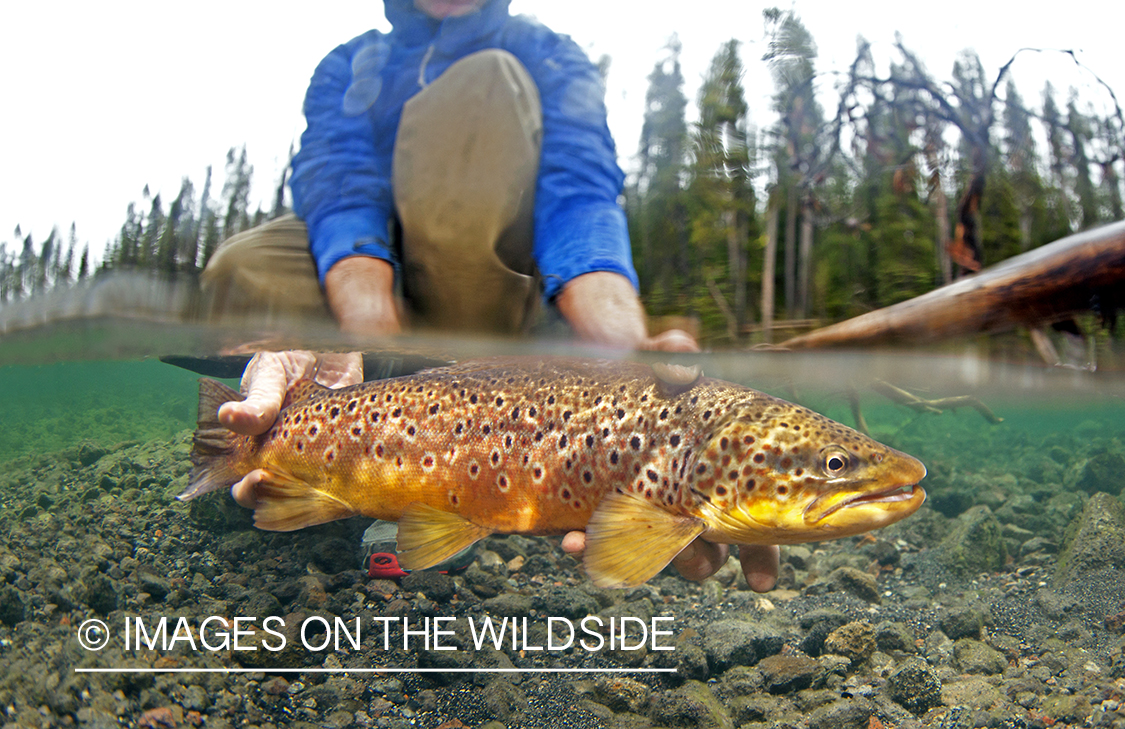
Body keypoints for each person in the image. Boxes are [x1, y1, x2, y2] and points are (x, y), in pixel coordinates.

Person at [206, 0, 780, 591]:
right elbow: (339, 185)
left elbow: (578, 198)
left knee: (486, 82)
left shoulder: (548, 55)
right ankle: (308, 439)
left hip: (506, 294)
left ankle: (389, 442)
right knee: (241, 267)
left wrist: (624, 346)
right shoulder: (349, 65)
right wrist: (360, 331)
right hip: (370, 283)